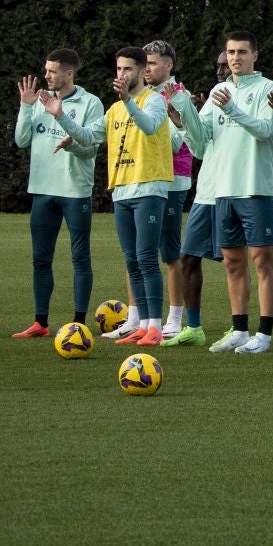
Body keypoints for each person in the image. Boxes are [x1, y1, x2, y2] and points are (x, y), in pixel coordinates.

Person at [197, 31, 273, 355]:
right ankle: (238, 329)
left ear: (255, 55)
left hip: (255, 188)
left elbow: (265, 130)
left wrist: (233, 109)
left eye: (242, 52)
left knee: (262, 261)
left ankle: (263, 335)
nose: (235, 58)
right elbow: (202, 134)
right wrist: (182, 119)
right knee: (232, 262)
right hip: (224, 189)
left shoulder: (267, 88)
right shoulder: (219, 90)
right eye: (231, 52)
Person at [10, 49, 104, 338]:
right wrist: (26, 106)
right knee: (40, 258)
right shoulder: (37, 101)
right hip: (42, 190)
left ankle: (79, 323)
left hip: (74, 191)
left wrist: (70, 145)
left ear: (69, 73)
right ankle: (41, 322)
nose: (46, 75)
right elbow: (21, 140)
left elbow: (91, 147)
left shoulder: (91, 103)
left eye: (52, 71)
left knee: (80, 258)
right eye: (46, 69)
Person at [105, 46, 173, 347]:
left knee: (146, 258)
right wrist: (63, 122)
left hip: (149, 188)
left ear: (142, 71)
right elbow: (91, 134)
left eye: (128, 69)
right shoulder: (115, 108)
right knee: (131, 260)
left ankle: (155, 327)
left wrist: (128, 101)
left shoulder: (155, 100)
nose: (122, 75)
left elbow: (148, 126)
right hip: (121, 189)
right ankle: (143, 325)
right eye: (119, 69)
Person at [163, 51, 229, 348]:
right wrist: (182, 120)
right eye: (217, 65)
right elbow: (199, 145)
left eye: (225, 65)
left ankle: (237, 326)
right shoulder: (215, 94)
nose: (220, 70)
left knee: (234, 261)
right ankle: (194, 327)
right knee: (188, 256)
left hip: (233, 190)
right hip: (206, 192)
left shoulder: (253, 94)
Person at [142, 40, 199, 339]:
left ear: (169, 65)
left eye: (152, 62)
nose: (146, 68)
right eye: (145, 62)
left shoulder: (179, 96)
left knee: (169, 250)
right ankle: (136, 317)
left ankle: (175, 317)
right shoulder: (141, 95)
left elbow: (180, 141)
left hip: (173, 178)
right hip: (144, 177)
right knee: (139, 250)